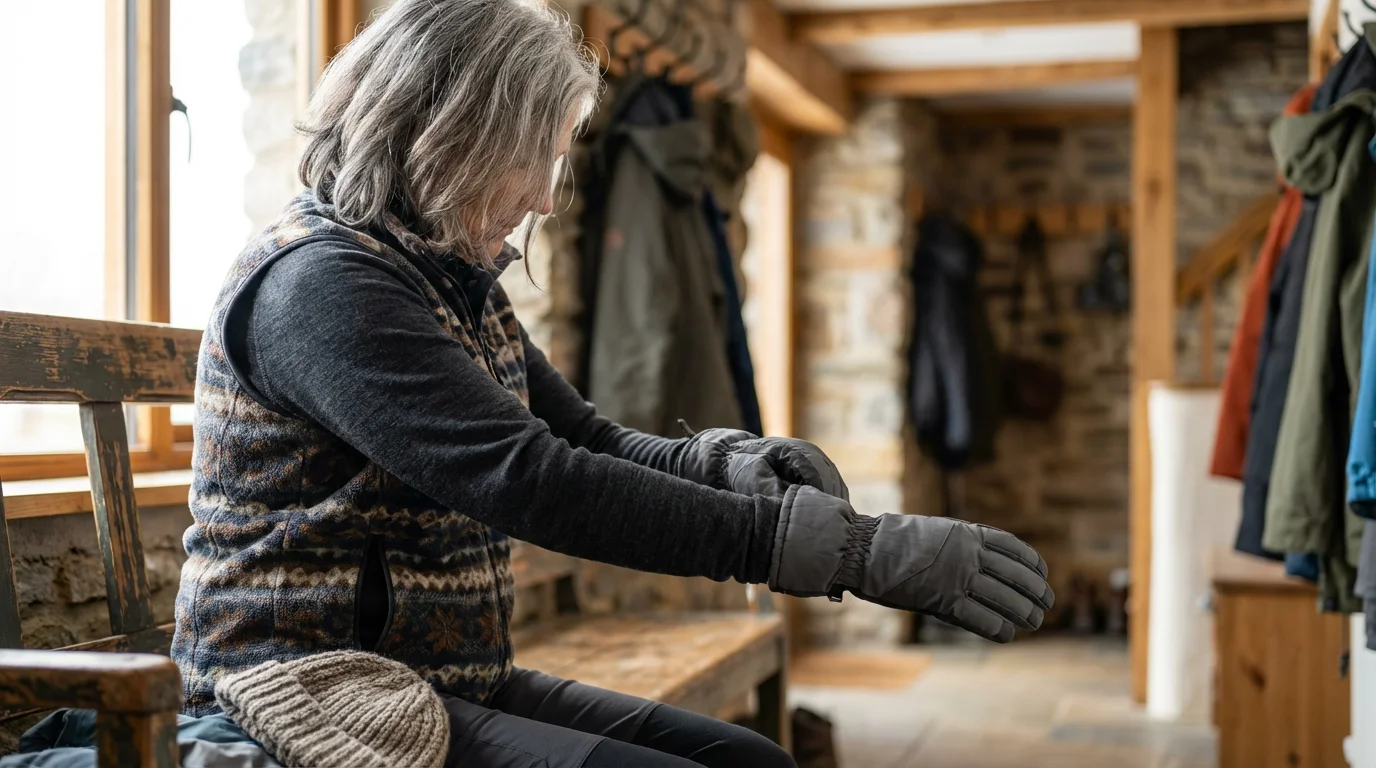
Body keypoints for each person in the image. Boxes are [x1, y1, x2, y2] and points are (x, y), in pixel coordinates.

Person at [169, 0, 1054, 765]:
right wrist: (850, 553)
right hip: (304, 689)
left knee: (748, 760)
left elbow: (583, 437)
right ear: (457, 135)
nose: (547, 199)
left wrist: (724, 466)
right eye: (536, 158)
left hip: (439, 679)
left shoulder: (441, 277)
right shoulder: (324, 284)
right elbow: (532, 480)